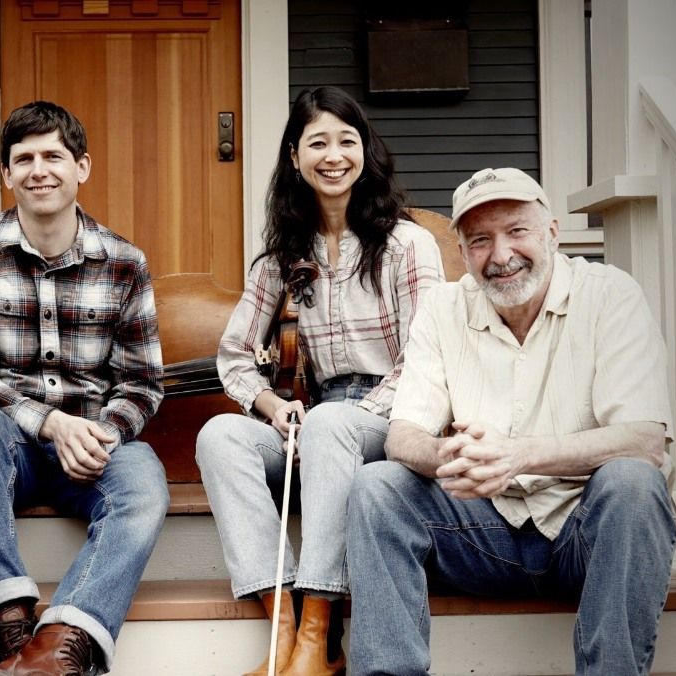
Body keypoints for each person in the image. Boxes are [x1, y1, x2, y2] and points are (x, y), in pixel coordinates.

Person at [346, 167, 676, 675]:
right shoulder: (443, 307)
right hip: (481, 533)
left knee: (633, 482)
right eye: (481, 240)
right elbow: (403, 435)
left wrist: (518, 455)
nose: (500, 256)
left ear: (552, 232)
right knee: (378, 485)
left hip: (582, 536)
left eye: (517, 231)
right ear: (462, 250)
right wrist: (451, 456)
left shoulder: (609, 294)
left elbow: (645, 441)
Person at [194, 86, 445, 676]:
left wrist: (355, 413)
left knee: (334, 420)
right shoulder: (282, 257)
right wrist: (272, 405)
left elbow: (429, 359)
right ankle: (281, 622)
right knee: (220, 437)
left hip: (395, 417)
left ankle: (319, 630)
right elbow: (233, 357)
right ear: (294, 157)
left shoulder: (409, 243)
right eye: (318, 143)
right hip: (318, 425)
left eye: (347, 141)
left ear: (365, 152)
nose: (333, 156)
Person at [0, 100, 168, 676]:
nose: (39, 169)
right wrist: (49, 423)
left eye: (53, 156)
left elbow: (142, 381)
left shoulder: (124, 262)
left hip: (92, 445)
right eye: (24, 159)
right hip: (6, 446)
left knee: (145, 484)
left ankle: (59, 646)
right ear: (6, 175)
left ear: (82, 167)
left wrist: (98, 433)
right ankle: (10, 615)